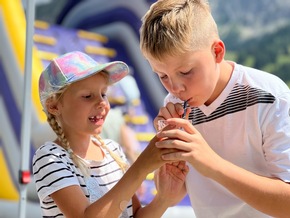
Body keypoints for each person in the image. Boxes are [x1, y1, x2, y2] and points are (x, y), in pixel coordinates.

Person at [139, 0, 290, 217]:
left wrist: (211, 163)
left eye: (186, 71)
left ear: (217, 52)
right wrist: (170, 181)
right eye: (162, 76)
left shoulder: (269, 95)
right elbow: (184, 192)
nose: (175, 88)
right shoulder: (172, 104)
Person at [32, 51, 188, 218]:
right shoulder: (50, 158)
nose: (101, 103)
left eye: (103, 94)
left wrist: (163, 199)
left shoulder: (112, 150)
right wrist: (141, 167)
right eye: (87, 96)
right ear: (54, 106)